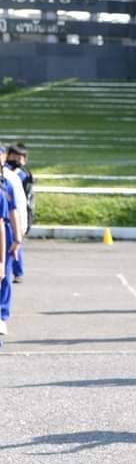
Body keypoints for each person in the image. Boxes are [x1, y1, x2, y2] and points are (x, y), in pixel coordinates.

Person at [0, 163, 21, 339]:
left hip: (4, 232)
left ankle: (2, 314)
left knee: (4, 276)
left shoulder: (6, 186)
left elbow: (13, 212)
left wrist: (17, 237)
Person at [6, 143, 31, 282]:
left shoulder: (23, 175)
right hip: (7, 210)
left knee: (16, 241)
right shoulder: (6, 171)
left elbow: (23, 199)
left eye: (19, 157)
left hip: (17, 211)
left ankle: (18, 272)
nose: (15, 160)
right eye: (13, 156)